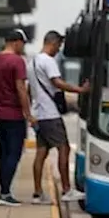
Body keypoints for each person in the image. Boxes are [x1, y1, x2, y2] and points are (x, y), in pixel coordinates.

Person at [29, 31, 89, 204]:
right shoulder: (48, 61)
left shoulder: (32, 62)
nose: (58, 49)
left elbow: (29, 90)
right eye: (59, 46)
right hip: (50, 114)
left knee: (41, 152)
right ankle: (66, 190)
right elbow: (58, 83)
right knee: (64, 148)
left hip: (39, 113)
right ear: (53, 43)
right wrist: (80, 90)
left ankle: (38, 193)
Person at [0, 30, 34, 206]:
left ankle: (4, 191)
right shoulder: (17, 61)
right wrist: (28, 114)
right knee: (13, 154)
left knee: (4, 152)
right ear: (16, 42)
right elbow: (21, 89)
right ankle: (5, 193)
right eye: (23, 43)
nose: (23, 47)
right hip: (13, 115)